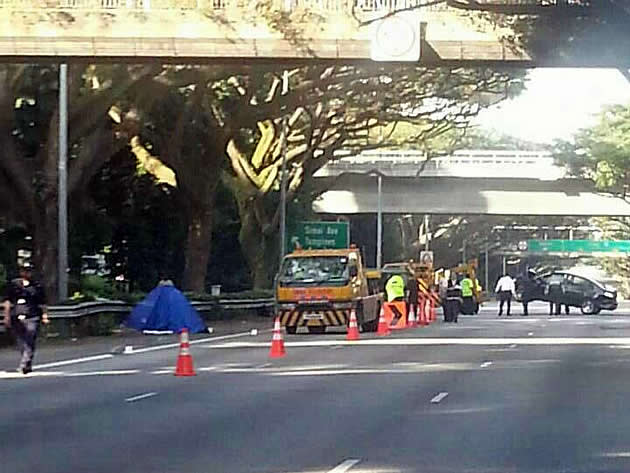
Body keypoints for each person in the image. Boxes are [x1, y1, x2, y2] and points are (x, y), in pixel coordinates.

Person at [2, 263, 49, 374]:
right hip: (17, 316)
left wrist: (45, 315)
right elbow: (7, 301)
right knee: (21, 341)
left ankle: (24, 364)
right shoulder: (14, 285)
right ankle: (27, 362)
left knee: (30, 340)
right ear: (21, 272)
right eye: (24, 271)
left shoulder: (37, 286)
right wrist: (6, 316)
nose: (27, 273)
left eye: (29, 271)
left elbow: (43, 303)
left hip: (32, 316)